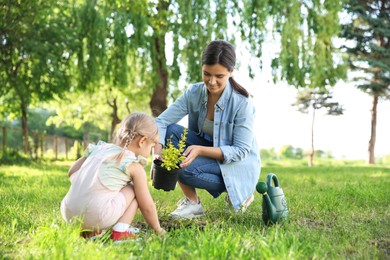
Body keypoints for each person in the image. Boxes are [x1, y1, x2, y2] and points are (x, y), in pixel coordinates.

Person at [151, 40, 261, 219]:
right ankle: (193, 204)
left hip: (237, 164)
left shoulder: (242, 104)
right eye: (206, 74)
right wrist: (156, 154)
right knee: (170, 131)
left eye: (219, 76)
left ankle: (242, 192)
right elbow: (161, 122)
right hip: (209, 151)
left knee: (183, 168)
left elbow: (241, 151)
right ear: (201, 68)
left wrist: (200, 149)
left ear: (231, 72)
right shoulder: (193, 93)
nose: (212, 82)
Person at [61, 112, 166, 241]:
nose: (150, 151)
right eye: (151, 146)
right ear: (143, 141)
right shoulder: (133, 165)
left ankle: (90, 232)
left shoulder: (98, 149)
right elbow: (147, 206)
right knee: (135, 189)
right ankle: (120, 232)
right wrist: (158, 230)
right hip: (97, 215)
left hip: (68, 214)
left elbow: (72, 172)